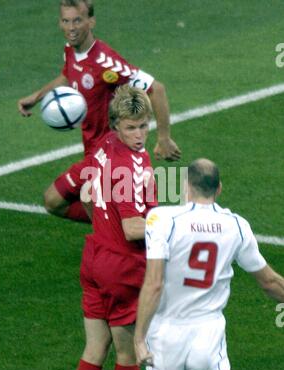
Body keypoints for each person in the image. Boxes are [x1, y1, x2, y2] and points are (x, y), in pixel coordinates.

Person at [17, 0, 180, 223]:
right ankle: (120, 230)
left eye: (77, 20)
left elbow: (156, 89)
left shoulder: (106, 61)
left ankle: (143, 234)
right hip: (92, 150)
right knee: (60, 203)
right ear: (60, 23)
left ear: (91, 22)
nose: (71, 27)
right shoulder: (70, 50)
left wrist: (164, 138)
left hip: (112, 152)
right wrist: (36, 97)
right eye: (66, 21)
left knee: (58, 200)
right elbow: (67, 74)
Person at [134, 158, 284, 370]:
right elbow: (270, 282)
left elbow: (154, 283)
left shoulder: (162, 219)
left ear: (186, 186)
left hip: (164, 335)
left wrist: (139, 338)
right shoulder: (236, 226)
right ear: (219, 188)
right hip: (207, 336)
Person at [76, 85, 157, 370]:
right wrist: (173, 224)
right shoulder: (133, 165)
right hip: (123, 268)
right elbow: (133, 228)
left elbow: (86, 194)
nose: (138, 135)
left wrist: (102, 229)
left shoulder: (103, 144)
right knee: (128, 353)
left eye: (143, 126)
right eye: (131, 128)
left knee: (95, 349)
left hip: (94, 257)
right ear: (116, 125)